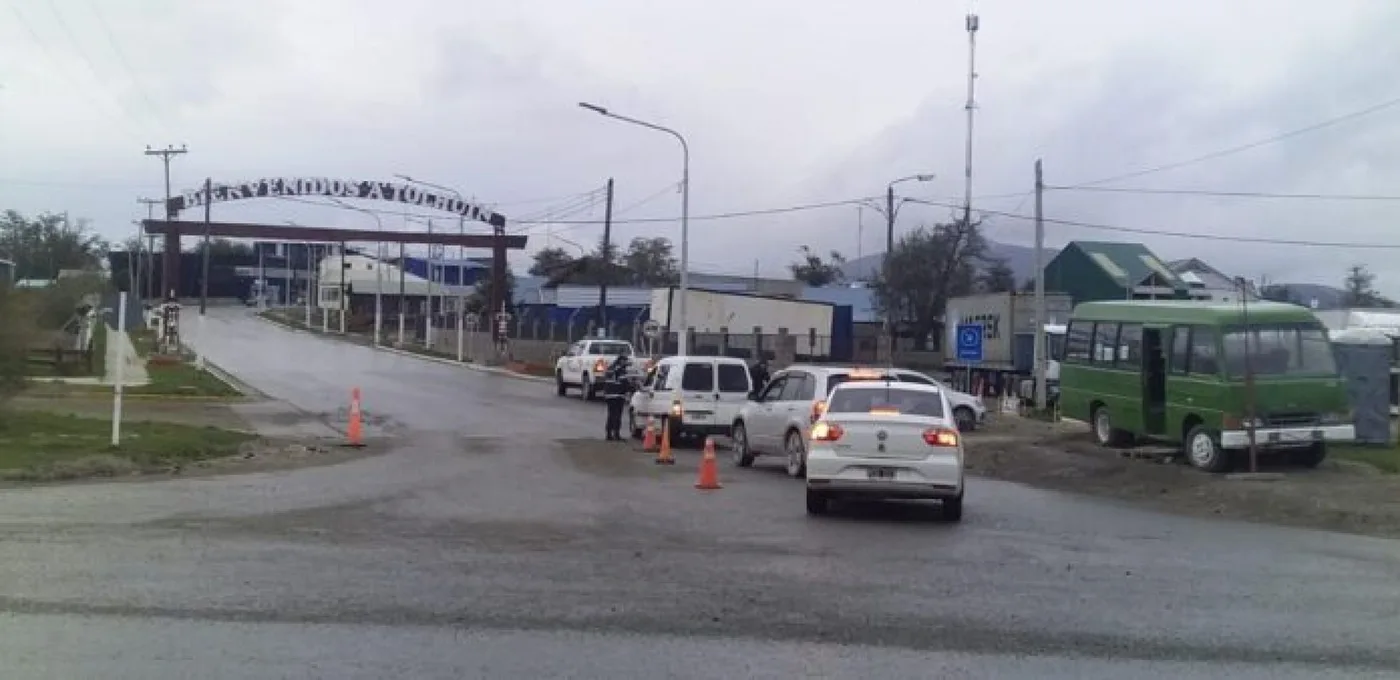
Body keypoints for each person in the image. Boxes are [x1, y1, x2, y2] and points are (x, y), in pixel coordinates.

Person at [602, 352, 632, 440]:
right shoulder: (621, 370)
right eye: (625, 361)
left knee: (611, 415)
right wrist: (632, 389)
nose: (626, 363)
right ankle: (616, 434)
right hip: (618, 396)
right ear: (621, 361)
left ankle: (608, 434)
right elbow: (624, 383)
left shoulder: (610, 368)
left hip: (609, 395)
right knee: (617, 415)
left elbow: (606, 381)